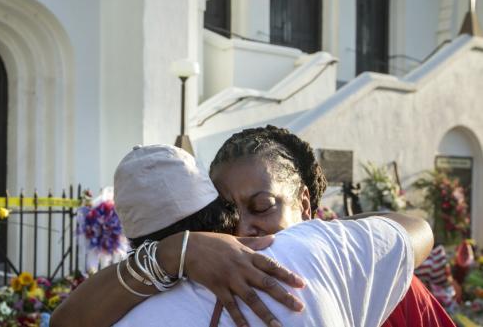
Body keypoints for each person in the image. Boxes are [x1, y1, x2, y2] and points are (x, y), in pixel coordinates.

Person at [52, 143, 433, 326]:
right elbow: (415, 228)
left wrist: (170, 255)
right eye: (239, 211)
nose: (248, 228)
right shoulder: (329, 250)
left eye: (263, 205)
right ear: (222, 211)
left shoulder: (128, 314)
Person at [208, 126, 455, 327]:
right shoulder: (210, 293)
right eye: (226, 217)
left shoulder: (387, 280)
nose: (242, 231)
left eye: (262, 206)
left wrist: (334, 237)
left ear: (304, 204)